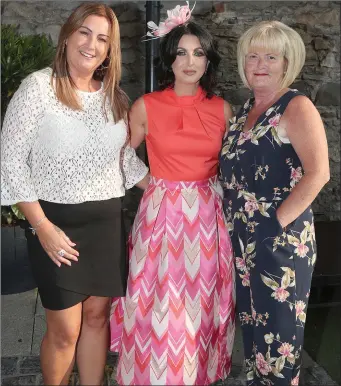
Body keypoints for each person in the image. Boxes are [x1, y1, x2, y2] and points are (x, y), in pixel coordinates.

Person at [1, 3, 149, 385]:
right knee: (65, 329)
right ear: (67, 35)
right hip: (55, 225)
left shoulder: (115, 97)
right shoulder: (38, 88)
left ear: (109, 49)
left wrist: (177, 191)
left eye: (102, 38)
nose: (91, 44)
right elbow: (10, 161)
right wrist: (41, 227)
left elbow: (125, 162)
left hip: (106, 223)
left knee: (97, 318)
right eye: (85, 32)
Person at [110, 3, 235, 385]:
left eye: (198, 52)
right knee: (160, 303)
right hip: (160, 217)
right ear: (169, 58)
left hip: (208, 220)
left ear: (208, 60)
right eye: (181, 51)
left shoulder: (223, 109)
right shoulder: (146, 106)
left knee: (199, 307)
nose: (190, 61)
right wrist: (156, 186)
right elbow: (120, 159)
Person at [219, 20, 330, 386]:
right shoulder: (243, 112)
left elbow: (318, 174)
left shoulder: (296, 107)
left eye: (271, 56)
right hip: (242, 242)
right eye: (253, 56)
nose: (260, 63)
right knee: (256, 341)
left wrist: (273, 225)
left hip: (281, 243)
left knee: (280, 347)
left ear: (287, 62)